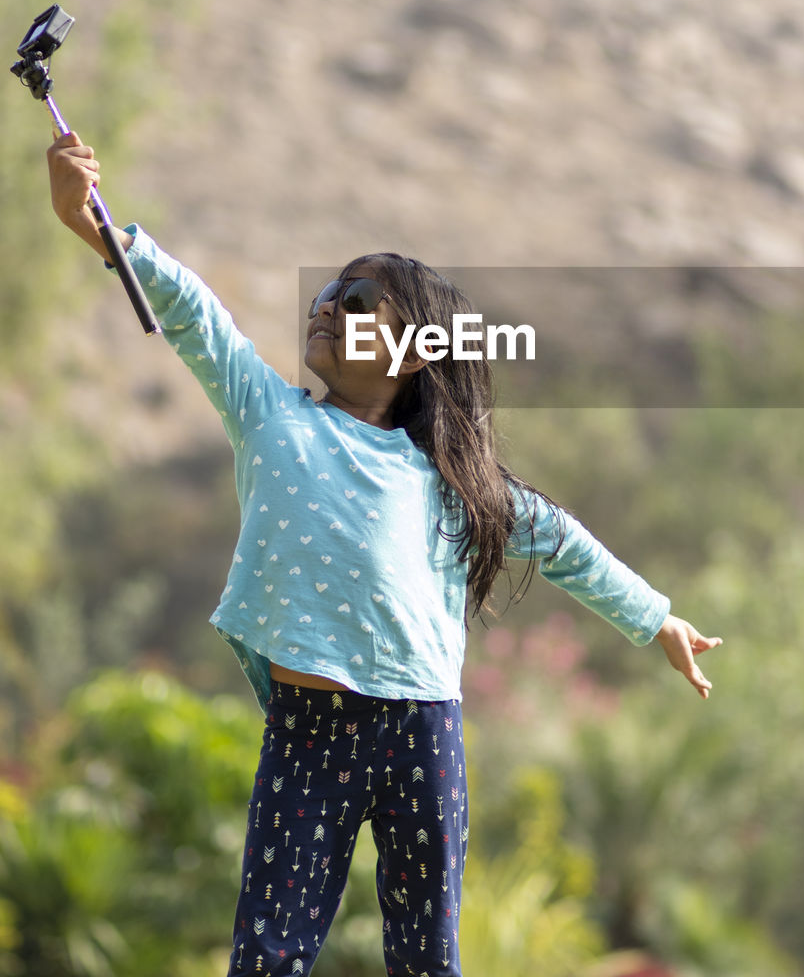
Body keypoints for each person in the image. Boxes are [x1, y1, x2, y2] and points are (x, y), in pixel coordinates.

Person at [47, 131, 722, 977]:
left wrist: (656, 619)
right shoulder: (270, 414)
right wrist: (94, 223)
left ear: (415, 352)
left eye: (356, 296)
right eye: (328, 289)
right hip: (307, 737)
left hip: (421, 733)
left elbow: (565, 547)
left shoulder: (455, 484)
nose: (326, 304)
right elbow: (195, 314)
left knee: (424, 957)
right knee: (267, 955)